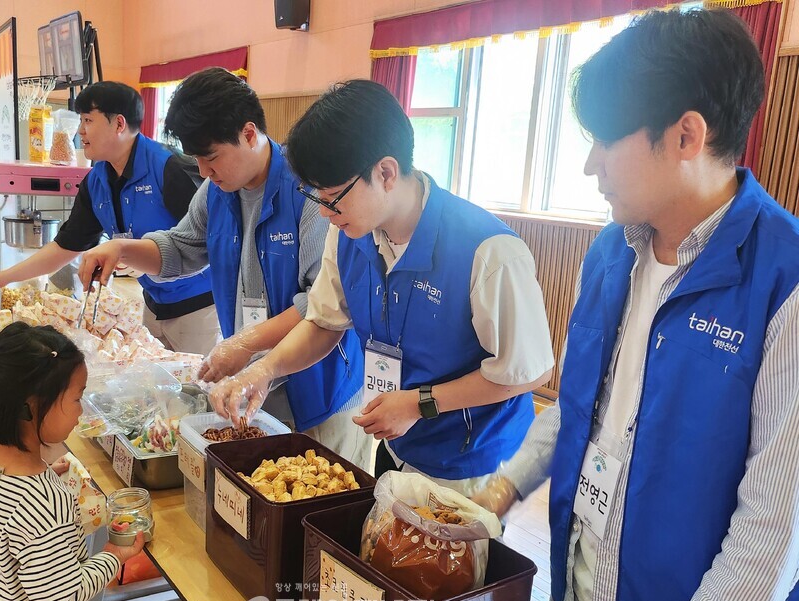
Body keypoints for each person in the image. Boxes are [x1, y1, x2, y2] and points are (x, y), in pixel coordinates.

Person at [471, 9, 799, 601]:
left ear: (685, 137)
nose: (591, 165)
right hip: (578, 585)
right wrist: (504, 487)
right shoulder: (611, 251)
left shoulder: (782, 285)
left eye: (605, 140)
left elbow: (773, 532)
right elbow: (574, 408)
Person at [209, 79, 554, 493]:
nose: (324, 215)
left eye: (333, 197)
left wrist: (420, 403)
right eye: (316, 198)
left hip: (470, 460)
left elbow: (528, 372)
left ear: (386, 172)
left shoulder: (488, 251)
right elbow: (323, 322)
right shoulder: (351, 232)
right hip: (398, 438)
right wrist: (263, 370)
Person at [78, 68, 371, 469]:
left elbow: (318, 305)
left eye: (211, 157)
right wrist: (121, 250)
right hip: (254, 389)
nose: (203, 172)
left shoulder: (308, 190)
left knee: (316, 504)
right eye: (197, 159)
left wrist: (246, 343)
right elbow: (179, 248)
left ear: (249, 134)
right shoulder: (217, 190)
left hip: (319, 397)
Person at [0, 81, 220, 355]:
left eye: (88, 120)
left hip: (200, 309)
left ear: (119, 124)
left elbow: (212, 240)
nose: (80, 130)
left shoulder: (170, 169)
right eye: (81, 120)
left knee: (201, 394)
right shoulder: (96, 180)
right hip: (153, 305)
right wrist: (3, 277)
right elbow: (67, 245)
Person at [0, 323, 143, 601]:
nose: (81, 411)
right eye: (76, 399)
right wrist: (114, 555)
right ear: (34, 406)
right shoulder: (42, 501)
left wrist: (46, 481)